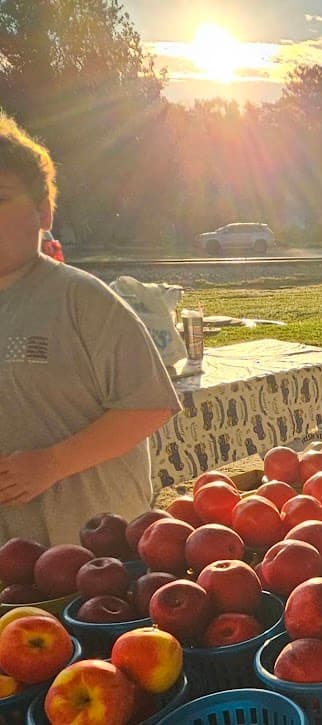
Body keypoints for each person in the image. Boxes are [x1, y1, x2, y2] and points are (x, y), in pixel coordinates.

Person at [0, 113, 181, 546]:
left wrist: (52, 463)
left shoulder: (82, 299)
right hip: (12, 565)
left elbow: (150, 405)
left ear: (44, 211)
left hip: (89, 558)